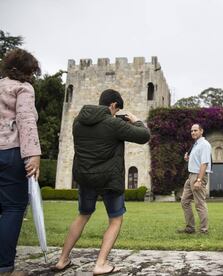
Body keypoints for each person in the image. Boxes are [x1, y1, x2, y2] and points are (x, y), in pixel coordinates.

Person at [53, 89, 150, 275]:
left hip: (85, 177)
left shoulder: (77, 121)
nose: (115, 113)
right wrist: (136, 120)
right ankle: (101, 264)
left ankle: (62, 260)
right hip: (109, 179)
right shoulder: (113, 124)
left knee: (83, 215)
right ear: (113, 105)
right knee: (115, 219)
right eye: (116, 109)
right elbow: (144, 136)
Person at [0, 48, 42, 276]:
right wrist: (33, 154)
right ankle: (4, 266)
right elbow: (25, 121)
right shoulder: (23, 88)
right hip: (10, 152)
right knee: (13, 208)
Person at [178, 123, 212, 234]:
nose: (193, 132)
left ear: (201, 131)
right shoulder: (196, 145)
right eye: (192, 131)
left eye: (195, 130)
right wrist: (188, 158)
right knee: (184, 201)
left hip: (198, 176)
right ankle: (190, 228)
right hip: (191, 176)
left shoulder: (204, 145)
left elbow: (204, 163)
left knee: (199, 204)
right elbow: (197, 161)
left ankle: (204, 230)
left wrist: (199, 180)